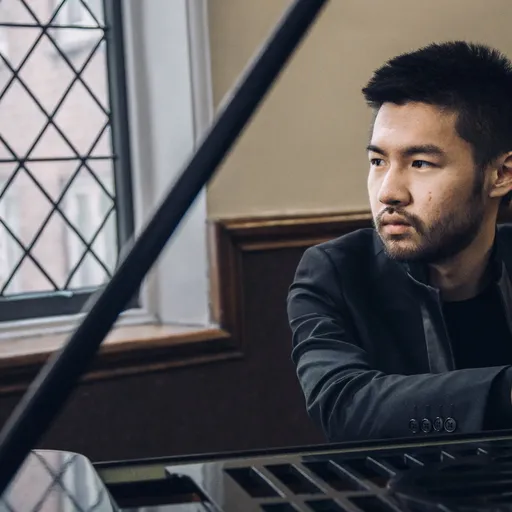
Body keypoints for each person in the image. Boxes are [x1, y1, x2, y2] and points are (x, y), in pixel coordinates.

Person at [287, 41, 512, 442]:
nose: (388, 192)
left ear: (501, 175)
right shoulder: (335, 272)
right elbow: (344, 405)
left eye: (420, 163)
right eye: (378, 161)